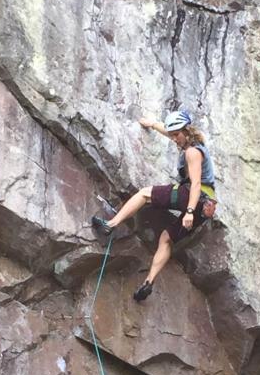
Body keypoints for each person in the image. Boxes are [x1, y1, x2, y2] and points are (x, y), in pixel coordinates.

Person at [91, 110, 217, 302]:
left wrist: (189, 211)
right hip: (206, 205)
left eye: (177, 135)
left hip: (194, 196)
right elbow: (169, 132)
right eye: (172, 135)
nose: (174, 139)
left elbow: (197, 183)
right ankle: (148, 283)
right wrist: (152, 124)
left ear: (186, 131)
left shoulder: (192, 152)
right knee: (166, 238)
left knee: (145, 193)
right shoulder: (193, 143)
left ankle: (111, 225)